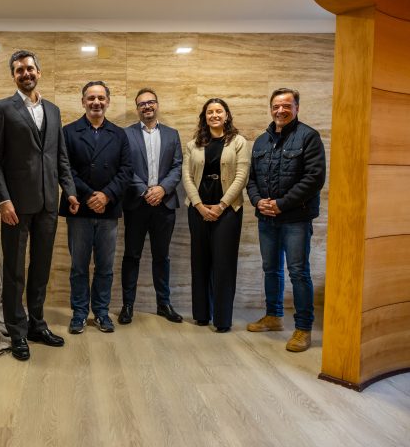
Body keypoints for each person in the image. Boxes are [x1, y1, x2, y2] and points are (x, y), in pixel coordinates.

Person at [0, 50, 79, 361]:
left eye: (30, 68)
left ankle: (37, 324)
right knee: (14, 270)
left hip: (48, 203)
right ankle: (16, 330)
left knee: (41, 267)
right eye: (19, 70)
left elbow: (60, 156)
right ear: (13, 76)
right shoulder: (2, 108)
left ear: (39, 71)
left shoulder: (53, 110)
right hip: (15, 205)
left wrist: (70, 191)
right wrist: (3, 200)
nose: (26, 73)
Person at [246, 88, 326, 352]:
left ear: (297, 108)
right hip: (266, 217)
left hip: (296, 219)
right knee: (271, 269)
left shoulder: (309, 136)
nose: (280, 110)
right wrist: (258, 201)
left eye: (286, 106)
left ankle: (303, 328)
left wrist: (281, 204)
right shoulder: (261, 141)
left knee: (298, 272)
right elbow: (252, 179)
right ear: (271, 109)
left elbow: (314, 178)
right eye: (276, 106)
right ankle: (274, 316)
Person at [60, 81, 132, 334]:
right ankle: (79, 313)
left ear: (108, 102)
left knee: (105, 267)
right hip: (79, 208)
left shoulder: (119, 134)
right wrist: (91, 195)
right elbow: (65, 169)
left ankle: (101, 312)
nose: (96, 102)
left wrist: (106, 196)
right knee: (79, 267)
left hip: (108, 210)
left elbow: (126, 170)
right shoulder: (68, 132)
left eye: (101, 98)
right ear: (83, 102)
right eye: (91, 98)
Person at [183, 98, 250, 333]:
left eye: (219, 111)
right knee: (200, 262)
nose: (214, 115)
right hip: (198, 210)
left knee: (224, 264)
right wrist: (199, 205)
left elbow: (242, 176)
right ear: (205, 117)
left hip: (228, 211)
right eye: (210, 112)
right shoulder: (193, 144)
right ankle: (201, 314)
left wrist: (221, 206)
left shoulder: (239, 142)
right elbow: (187, 177)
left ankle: (222, 319)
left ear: (227, 115)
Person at [120, 88, 184, 324]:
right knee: (131, 255)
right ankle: (127, 305)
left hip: (164, 205)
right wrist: (145, 190)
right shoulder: (126, 134)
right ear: (137, 108)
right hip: (137, 204)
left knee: (162, 256)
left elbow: (178, 166)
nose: (147, 106)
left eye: (150, 102)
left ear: (157, 105)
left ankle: (163, 304)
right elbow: (125, 167)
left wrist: (162, 189)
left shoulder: (172, 134)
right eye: (142, 104)